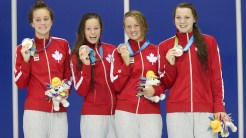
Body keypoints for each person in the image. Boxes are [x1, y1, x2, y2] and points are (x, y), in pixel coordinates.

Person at [158, 2, 230, 138]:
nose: (182, 21)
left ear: (194, 19)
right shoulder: (165, 46)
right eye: (178, 17)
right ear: (174, 19)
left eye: (187, 17)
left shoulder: (209, 42)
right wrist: (170, 64)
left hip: (205, 111)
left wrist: (219, 106)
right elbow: (165, 83)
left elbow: (216, 77)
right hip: (177, 113)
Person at [110, 10, 175, 138]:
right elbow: (116, 86)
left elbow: (164, 82)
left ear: (143, 26)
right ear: (124, 28)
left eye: (136, 25)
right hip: (125, 113)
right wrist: (126, 64)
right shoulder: (118, 52)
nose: (132, 30)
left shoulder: (157, 51)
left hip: (151, 112)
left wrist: (155, 91)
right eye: (128, 26)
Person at [14, 1, 72, 138]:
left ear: (51, 21)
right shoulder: (23, 48)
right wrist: (26, 61)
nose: (42, 23)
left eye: (46, 19)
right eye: (38, 20)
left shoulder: (62, 44)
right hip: (34, 113)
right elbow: (20, 83)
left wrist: (64, 91)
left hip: (59, 112)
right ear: (32, 23)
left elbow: (69, 75)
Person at [70, 13, 117, 138]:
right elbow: (81, 90)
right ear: (83, 31)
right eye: (88, 29)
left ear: (101, 29)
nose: (93, 32)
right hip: (93, 117)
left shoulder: (112, 50)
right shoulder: (77, 56)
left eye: (96, 28)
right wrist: (86, 65)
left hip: (116, 115)